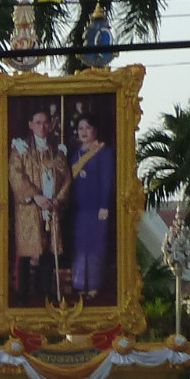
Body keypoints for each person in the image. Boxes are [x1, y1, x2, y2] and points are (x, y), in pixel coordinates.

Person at [8, 104, 68, 306]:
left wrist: (58, 199)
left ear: (50, 126)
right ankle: (23, 295)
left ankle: (45, 293)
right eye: (38, 123)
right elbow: (16, 176)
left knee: (49, 252)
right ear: (31, 125)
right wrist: (36, 196)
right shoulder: (21, 149)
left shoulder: (56, 151)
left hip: (51, 207)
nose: (42, 127)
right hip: (30, 208)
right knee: (28, 251)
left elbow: (66, 178)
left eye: (45, 123)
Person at [66, 108, 117, 304]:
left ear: (95, 130)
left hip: (97, 209)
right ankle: (80, 285)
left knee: (95, 246)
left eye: (87, 128)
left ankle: (93, 286)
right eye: (80, 128)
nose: (84, 132)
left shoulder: (104, 152)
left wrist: (104, 205)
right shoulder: (75, 153)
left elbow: (106, 180)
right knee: (80, 246)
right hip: (79, 209)